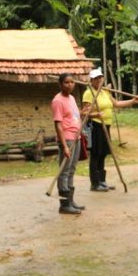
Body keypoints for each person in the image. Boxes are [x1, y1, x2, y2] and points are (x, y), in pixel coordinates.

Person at [83, 67, 138, 192]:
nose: (99, 80)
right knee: (95, 153)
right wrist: (95, 115)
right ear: (92, 80)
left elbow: (116, 104)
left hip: (106, 125)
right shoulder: (89, 92)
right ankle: (95, 183)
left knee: (103, 153)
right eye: (96, 78)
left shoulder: (105, 92)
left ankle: (102, 181)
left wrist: (133, 101)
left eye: (100, 77)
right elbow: (85, 113)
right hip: (95, 125)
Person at [51, 73, 84, 215]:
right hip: (67, 139)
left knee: (71, 169)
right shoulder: (58, 101)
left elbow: (74, 116)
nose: (70, 85)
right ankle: (64, 204)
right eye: (66, 82)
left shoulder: (72, 98)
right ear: (60, 84)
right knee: (64, 172)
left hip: (76, 137)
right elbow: (58, 125)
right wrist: (64, 146)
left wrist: (84, 113)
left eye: (72, 82)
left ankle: (70, 201)